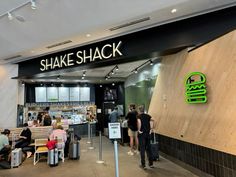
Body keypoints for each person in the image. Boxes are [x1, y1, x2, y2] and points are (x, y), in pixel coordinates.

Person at [137, 105, 154, 169]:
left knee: (142, 149)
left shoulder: (139, 116)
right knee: (149, 149)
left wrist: (139, 130)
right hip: (148, 134)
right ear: (144, 110)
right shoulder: (148, 116)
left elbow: (139, 122)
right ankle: (151, 164)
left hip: (142, 134)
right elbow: (152, 121)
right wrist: (151, 130)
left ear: (139, 110)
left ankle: (143, 165)